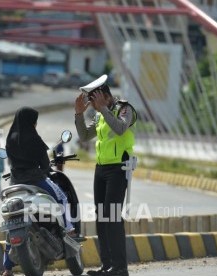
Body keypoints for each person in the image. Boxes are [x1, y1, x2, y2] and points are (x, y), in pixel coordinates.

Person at [74, 74, 136, 276]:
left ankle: (120, 268)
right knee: (101, 217)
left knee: (112, 217)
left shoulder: (125, 109)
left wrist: (103, 109)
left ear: (104, 95)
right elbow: (84, 136)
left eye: (93, 100)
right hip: (101, 169)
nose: (92, 105)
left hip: (119, 169)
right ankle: (107, 265)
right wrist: (78, 115)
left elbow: (119, 129)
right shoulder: (100, 114)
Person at [2, 107, 75, 276]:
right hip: (36, 181)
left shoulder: (10, 139)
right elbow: (44, 165)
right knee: (61, 197)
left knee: (11, 223)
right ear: (30, 121)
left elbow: (11, 163)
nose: (35, 124)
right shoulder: (34, 139)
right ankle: (68, 230)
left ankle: (7, 268)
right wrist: (45, 169)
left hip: (15, 184)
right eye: (35, 121)